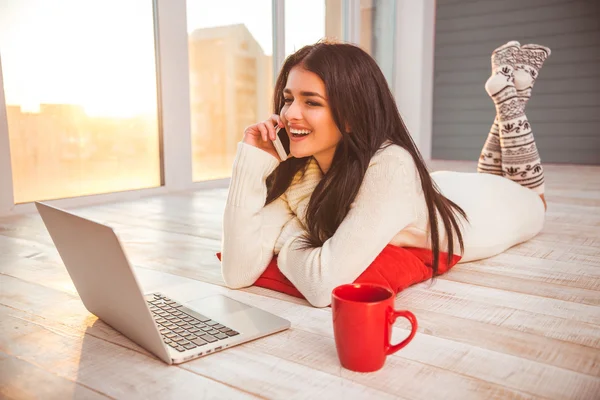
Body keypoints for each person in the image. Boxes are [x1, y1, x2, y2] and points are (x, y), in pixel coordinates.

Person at [220, 40, 548, 307]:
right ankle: (512, 90)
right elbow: (236, 273)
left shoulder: (391, 165)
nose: (290, 114)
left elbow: (323, 287)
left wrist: (288, 235)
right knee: (489, 170)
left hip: (492, 212)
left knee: (531, 191)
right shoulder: (301, 170)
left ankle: (510, 103)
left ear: (351, 115)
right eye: (288, 99)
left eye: (312, 102)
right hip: (445, 187)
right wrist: (250, 163)